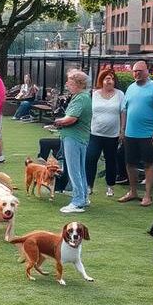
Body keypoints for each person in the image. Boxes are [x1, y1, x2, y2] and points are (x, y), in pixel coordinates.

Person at [119, 60, 153, 207]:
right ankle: (133, 192)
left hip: (147, 134)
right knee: (130, 163)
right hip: (130, 134)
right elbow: (124, 110)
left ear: (147, 71)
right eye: (134, 71)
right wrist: (122, 129)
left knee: (148, 163)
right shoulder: (130, 88)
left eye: (140, 71)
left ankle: (147, 196)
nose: (137, 73)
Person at [54, 70, 92, 213]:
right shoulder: (84, 97)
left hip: (74, 138)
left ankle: (77, 201)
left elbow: (71, 119)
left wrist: (58, 121)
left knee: (74, 169)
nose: (67, 84)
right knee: (80, 169)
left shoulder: (80, 98)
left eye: (69, 81)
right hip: (79, 137)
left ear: (77, 83)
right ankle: (83, 197)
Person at [86, 67, 125, 198]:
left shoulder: (120, 94)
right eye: (107, 78)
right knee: (91, 158)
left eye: (112, 79)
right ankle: (89, 186)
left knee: (111, 160)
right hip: (95, 133)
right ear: (102, 80)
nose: (110, 81)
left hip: (112, 135)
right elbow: (89, 111)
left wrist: (122, 130)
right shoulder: (94, 94)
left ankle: (110, 186)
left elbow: (123, 113)